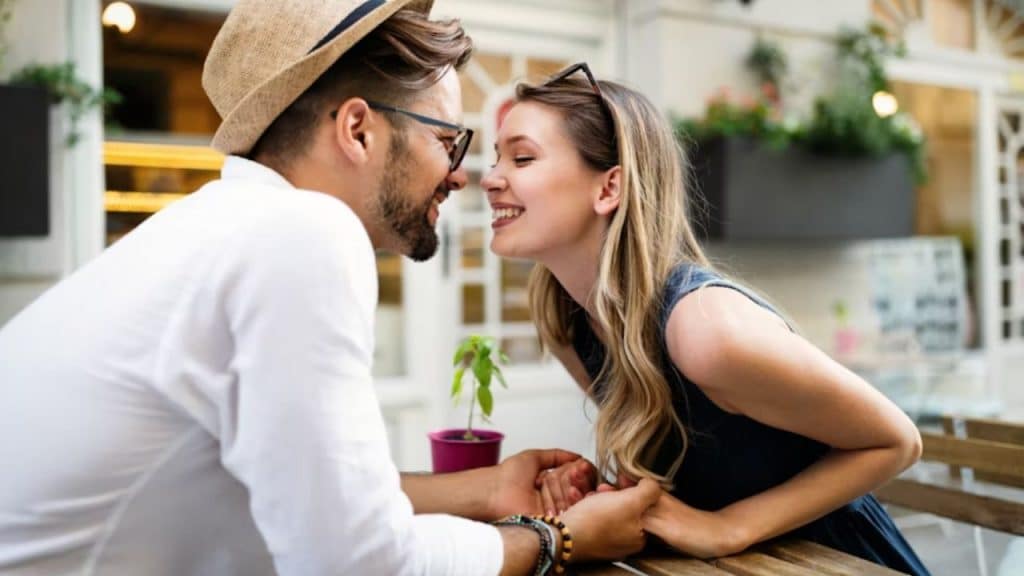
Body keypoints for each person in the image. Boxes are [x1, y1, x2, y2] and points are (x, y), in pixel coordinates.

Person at [0, 3, 661, 575]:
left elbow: (303, 499)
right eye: (448, 141)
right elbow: (355, 563)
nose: (462, 177)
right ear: (358, 129)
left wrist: (485, 491)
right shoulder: (302, 233)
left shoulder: (213, 228)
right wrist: (562, 541)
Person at [484, 62, 932, 575]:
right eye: (498, 157)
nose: (492, 178)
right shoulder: (569, 322)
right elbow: (677, 466)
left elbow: (898, 441)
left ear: (609, 189)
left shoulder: (705, 330)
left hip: (835, 561)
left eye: (521, 157)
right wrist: (602, 488)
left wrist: (729, 527)